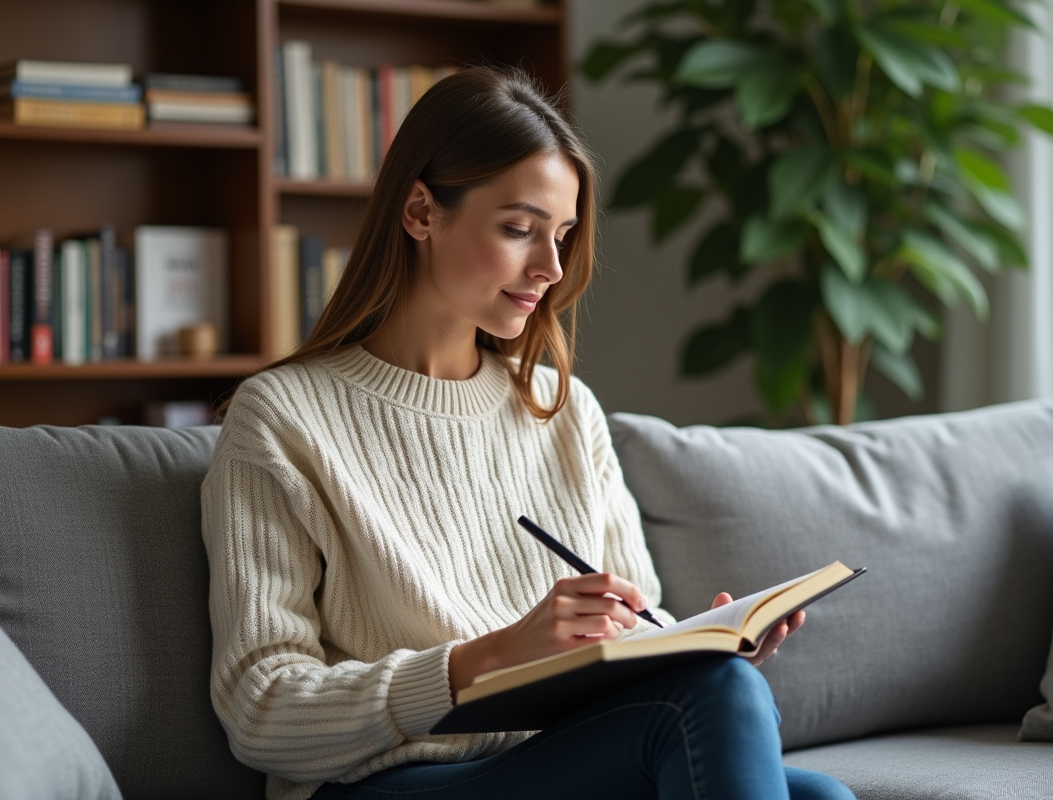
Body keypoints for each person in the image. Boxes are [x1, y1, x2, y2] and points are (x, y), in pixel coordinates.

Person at [201, 65, 855, 800]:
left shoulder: (564, 409)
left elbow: (627, 640)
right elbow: (262, 710)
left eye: (564, 235)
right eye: (519, 230)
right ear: (420, 211)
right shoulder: (282, 419)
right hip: (392, 784)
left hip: (553, 764)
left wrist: (694, 644)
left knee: (812, 783)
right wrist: (491, 656)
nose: (550, 267)